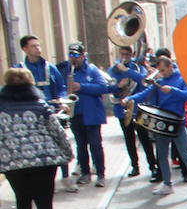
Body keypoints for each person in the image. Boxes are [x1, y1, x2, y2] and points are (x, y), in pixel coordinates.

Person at [0, 66, 74, 209]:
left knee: (22, 196)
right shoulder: (40, 105)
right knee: (44, 199)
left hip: (14, 161)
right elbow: (57, 131)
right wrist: (67, 153)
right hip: (45, 160)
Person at [124, 55, 187, 199]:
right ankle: (167, 184)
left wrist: (172, 90)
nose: (162, 72)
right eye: (159, 70)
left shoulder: (181, 78)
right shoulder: (159, 81)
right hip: (162, 123)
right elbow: (144, 94)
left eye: (163, 70)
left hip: (177, 123)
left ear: (170, 67)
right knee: (161, 155)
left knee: (185, 155)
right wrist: (128, 99)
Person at [19, 35, 76, 193]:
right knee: (36, 149)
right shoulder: (20, 68)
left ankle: (65, 178)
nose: (38, 48)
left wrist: (62, 100)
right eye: (33, 46)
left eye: (38, 45)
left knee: (60, 143)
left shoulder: (50, 67)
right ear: (24, 49)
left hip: (52, 113)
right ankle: (41, 183)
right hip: (30, 118)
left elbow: (61, 87)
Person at [62, 43, 116, 188]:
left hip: (92, 115)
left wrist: (82, 87)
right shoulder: (67, 70)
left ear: (83, 56)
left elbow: (103, 87)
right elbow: (62, 89)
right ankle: (85, 173)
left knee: (95, 145)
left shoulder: (92, 70)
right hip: (76, 114)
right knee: (81, 146)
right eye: (71, 55)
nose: (74, 59)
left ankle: (100, 175)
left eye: (76, 56)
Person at [108, 44, 158, 181]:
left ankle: (153, 166)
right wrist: (119, 84)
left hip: (138, 109)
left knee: (144, 139)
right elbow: (109, 85)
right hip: (122, 109)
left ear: (132, 55)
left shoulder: (137, 67)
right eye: (122, 54)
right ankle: (135, 166)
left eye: (127, 55)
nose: (124, 57)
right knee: (129, 139)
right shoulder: (114, 69)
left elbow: (143, 81)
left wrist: (127, 70)